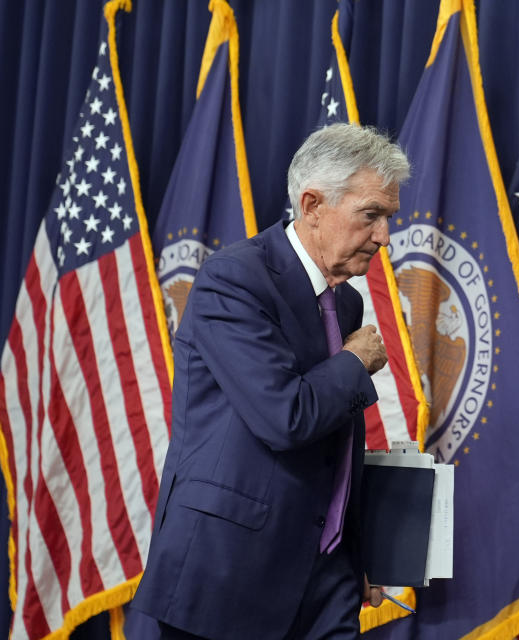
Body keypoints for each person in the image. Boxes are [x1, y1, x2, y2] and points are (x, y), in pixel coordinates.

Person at [131, 124, 410, 639]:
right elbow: (285, 417)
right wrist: (354, 363)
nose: (383, 237)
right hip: (227, 575)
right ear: (311, 205)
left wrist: (358, 548)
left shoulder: (344, 300)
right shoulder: (233, 280)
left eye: (387, 218)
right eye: (371, 215)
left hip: (327, 577)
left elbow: (335, 442)